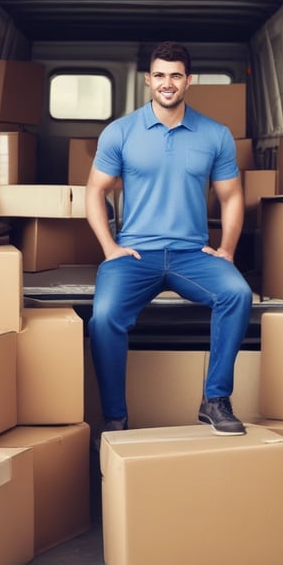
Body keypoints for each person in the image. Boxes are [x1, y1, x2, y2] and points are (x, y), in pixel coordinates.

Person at [85, 41, 253, 440]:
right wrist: (110, 248)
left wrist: (227, 250)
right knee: (103, 318)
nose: (167, 83)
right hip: (134, 254)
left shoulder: (215, 134)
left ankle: (215, 400)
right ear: (148, 79)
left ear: (189, 80)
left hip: (191, 254)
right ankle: (115, 417)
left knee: (237, 294)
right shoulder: (121, 132)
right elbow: (94, 191)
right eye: (160, 75)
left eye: (176, 75)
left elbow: (231, 196)